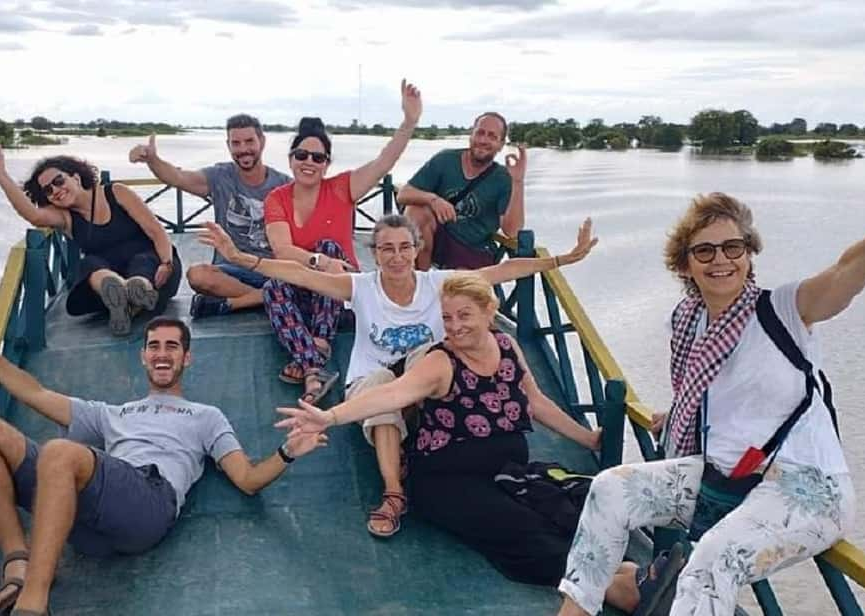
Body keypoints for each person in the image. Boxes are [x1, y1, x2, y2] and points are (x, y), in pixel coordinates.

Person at [556, 141, 865, 616]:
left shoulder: (784, 310)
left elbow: (848, 270)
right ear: (685, 264)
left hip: (806, 490)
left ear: (749, 253)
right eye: (704, 250)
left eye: (732, 246)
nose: (720, 259)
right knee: (610, 488)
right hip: (723, 478)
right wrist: (676, 412)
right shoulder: (688, 321)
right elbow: (709, 393)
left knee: (712, 562)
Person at [198, 214, 597, 540]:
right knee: (380, 390)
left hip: (425, 383)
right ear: (375, 253)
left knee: (434, 353)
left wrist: (561, 260)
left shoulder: (436, 284)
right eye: (386, 248)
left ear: (416, 249)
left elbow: (501, 270)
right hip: (378, 384)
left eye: (404, 247)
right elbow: (299, 275)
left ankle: (454, 458)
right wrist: (241, 256)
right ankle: (393, 492)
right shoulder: (361, 287)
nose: (396, 257)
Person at [272, 273, 640, 609]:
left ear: (488, 311)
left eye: (464, 316)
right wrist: (329, 417)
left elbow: (535, 402)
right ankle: (611, 587)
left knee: (560, 510)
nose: (454, 327)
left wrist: (589, 438)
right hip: (446, 481)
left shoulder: (507, 346)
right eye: (447, 318)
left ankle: (615, 570)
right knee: (518, 530)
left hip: (508, 472)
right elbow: (393, 394)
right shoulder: (441, 361)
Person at [0, 304, 325, 616]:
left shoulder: (205, 416)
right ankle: (17, 558)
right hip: (91, 517)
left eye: (172, 346)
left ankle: (33, 604)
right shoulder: (114, 413)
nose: (162, 354)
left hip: (148, 504)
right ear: (143, 356)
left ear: (186, 358)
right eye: (154, 346)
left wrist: (288, 451)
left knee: (59, 453)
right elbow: (37, 393)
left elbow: (248, 478)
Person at [260, 79, 423, 404]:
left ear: (327, 164)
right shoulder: (276, 199)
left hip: (344, 296)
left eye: (318, 158)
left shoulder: (342, 188)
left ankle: (313, 348)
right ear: (291, 159)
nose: (309, 162)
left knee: (330, 247)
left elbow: (383, 162)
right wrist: (320, 263)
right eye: (302, 155)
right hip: (303, 291)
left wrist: (409, 122)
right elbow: (282, 250)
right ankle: (313, 365)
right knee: (273, 283)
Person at [0, 150, 181, 336]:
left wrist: (166, 263)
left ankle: (137, 291)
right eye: (48, 190)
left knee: (142, 261)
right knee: (89, 265)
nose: (55, 190)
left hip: (156, 266)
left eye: (59, 181)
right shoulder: (65, 217)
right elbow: (33, 214)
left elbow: (156, 231)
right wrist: (0, 174)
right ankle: (124, 297)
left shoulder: (116, 193)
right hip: (112, 272)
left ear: (75, 177)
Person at [128, 114, 291, 318]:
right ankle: (274, 299)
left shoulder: (284, 184)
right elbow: (179, 177)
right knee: (198, 275)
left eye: (249, 141)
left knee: (300, 279)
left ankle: (244, 301)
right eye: (236, 143)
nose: (243, 149)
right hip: (231, 271)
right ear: (228, 145)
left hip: (272, 269)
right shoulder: (220, 176)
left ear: (262, 141)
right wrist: (152, 160)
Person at [398, 111, 526, 270]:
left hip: (473, 248)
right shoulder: (445, 160)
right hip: (438, 238)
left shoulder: (503, 178)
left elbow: (512, 231)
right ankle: (419, 280)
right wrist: (433, 200)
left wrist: (517, 182)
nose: (484, 140)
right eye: (480, 133)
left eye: (492, 136)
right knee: (415, 210)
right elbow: (403, 195)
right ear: (471, 136)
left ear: (500, 145)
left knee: (460, 289)